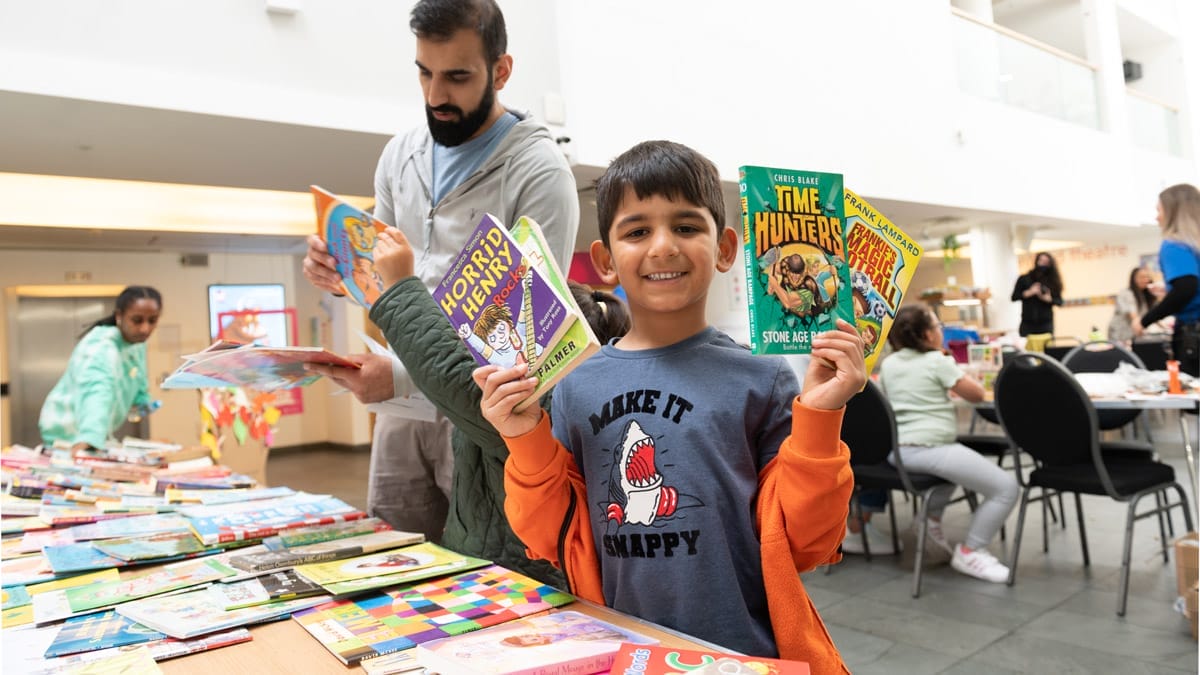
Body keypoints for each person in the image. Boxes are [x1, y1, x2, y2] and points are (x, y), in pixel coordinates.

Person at [474, 140, 864, 669]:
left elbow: (806, 543)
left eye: (685, 226)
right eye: (637, 231)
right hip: (619, 650)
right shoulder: (573, 382)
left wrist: (819, 419)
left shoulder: (763, 377)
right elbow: (549, 535)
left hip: (740, 654)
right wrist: (523, 437)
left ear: (725, 248)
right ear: (605, 261)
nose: (662, 246)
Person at [302, 0, 579, 544]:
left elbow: (527, 344)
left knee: (485, 570)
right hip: (399, 410)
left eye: (456, 76)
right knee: (392, 560)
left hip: (482, 416)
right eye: (424, 73)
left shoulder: (541, 174)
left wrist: (400, 375)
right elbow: (380, 278)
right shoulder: (399, 155)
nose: (435, 96)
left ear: (501, 71)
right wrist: (339, 270)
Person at [357, 225, 628, 587]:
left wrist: (400, 286)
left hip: (517, 582)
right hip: (500, 571)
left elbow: (453, 376)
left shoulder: (538, 399)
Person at [878, 304, 1019, 583]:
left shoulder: (890, 364)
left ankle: (927, 523)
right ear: (926, 335)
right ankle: (971, 550)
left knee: (950, 475)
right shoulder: (938, 361)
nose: (940, 330)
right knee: (1006, 488)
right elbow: (977, 395)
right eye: (937, 326)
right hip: (930, 448)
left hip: (899, 451)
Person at [39, 286, 163, 451]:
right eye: (137, 320)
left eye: (152, 320)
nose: (145, 328)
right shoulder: (101, 347)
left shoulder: (135, 343)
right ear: (119, 316)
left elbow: (137, 375)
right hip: (68, 437)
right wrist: (90, 437)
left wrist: (142, 401)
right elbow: (97, 391)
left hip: (96, 434)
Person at [1137, 183, 1200, 375]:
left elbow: (1186, 288)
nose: (1157, 217)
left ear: (1172, 212)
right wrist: (1169, 289)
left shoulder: (1174, 245)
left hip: (1193, 334)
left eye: (1159, 210)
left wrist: (1144, 321)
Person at [1010, 251, 1063, 337]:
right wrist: (1028, 293)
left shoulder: (1053, 281)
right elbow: (1014, 297)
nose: (1042, 264)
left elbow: (1060, 302)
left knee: (1047, 348)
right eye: (1041, 261)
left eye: (1046, 262)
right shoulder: (1024, 279)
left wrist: (1049, 299)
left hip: (1045, 323)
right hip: (1027, 323)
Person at [1108, 267, 1160, 345]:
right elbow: (1132, 314)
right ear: (1133, 279)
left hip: (1134, 335)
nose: (1146, 280)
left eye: (1147, 277)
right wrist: (1139, 326)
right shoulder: (1126, 293)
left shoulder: (1145, 295)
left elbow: (1154, 313)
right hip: (1120, 334)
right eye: (1142, 277)